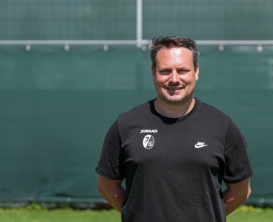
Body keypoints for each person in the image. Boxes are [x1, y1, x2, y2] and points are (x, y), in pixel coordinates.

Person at [95, 36, 253, 222]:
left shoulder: (222, 126)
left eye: (183, 70)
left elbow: (241, 191)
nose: (174, 79)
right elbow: (107, 187)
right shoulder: (126, 124)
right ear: (153, 72)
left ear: (196, 71)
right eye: (165, 71)